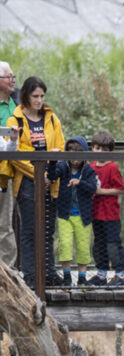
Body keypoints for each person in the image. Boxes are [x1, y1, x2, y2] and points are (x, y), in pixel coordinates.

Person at [1, 76, 64, 289]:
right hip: (28, 181)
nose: (39, 100)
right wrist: (38, 174)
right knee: (29, 230)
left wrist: (50, 174)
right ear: (26, 96)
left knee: (47, 229)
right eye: (35, 96)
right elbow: (15, 154)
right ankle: (30, 276)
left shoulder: (52, 119)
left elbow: (60, 146)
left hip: (50, 179)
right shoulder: (14, 121)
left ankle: (48, 273)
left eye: (42, 96)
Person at [50, 136, 97, 286]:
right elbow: (51, 176)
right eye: (70, 152)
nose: (74, 158)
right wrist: (52, 160)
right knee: (65, 245)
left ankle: (82, 278)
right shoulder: (63, 167)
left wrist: (79, 183)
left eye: (78, 153)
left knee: (83, 247)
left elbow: (92, 189)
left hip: (83, 216)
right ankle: (67, 277)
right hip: (65, 215)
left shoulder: (88, 171)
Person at [88, 130, 124, 286]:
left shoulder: (112, 167)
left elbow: (121, 189)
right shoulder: (90, 166)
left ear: (110, 151)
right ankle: (101, 274)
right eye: (97, 148)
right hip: (95, 213)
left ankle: (120, 275)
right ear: (92, 148)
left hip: (110, 214)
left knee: (113, 244)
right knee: (99, 244)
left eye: (104, 149)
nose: (100, 152)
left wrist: (100, 191)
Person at [0, 61, 18, 269]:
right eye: (8, 76)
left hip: (15, 171)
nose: (13, 80)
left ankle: (8, 272)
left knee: (6, 225)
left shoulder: (17, 103)